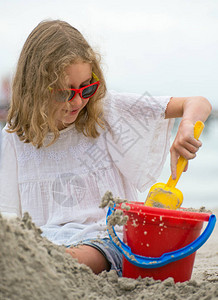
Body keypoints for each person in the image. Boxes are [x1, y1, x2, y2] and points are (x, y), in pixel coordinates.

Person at [0, 20, 212, 276]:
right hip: (45, 241)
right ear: (34, 88)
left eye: (87, 87)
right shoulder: (15, 137)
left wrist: (187, 125)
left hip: (107, 239)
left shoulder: (107, 112)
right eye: (64, 93)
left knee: (83, 256)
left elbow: (197, 102)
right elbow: (9, 216)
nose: (78, 100)